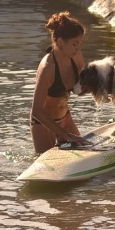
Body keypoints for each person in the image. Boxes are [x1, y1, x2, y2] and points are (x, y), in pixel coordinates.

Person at [31, 11, 89, 153]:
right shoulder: (48, 68)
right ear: (60, 42)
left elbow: (86, 83)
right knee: (46, 170)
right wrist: (67, 135)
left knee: (84, 150)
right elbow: (36, 110)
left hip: (65, 118)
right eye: (75, 44)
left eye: (80, 44)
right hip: (44, 124)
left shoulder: (76, 57)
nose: (78, 49)